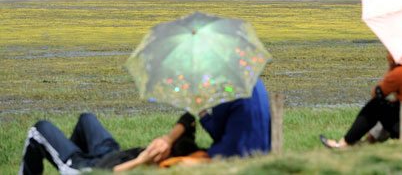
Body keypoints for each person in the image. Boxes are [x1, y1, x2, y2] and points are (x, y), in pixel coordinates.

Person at [115, 78, 271, 171]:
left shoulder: (226, 89)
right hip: (262, 150)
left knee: (170, 163)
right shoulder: (253, 82)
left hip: (233, 153)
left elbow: (216, 132)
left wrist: (201, 111)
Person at [319, 52, 402, 149]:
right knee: (393, 106)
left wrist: (391, 70)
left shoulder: (400, 73)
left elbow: (377, 94)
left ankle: (344, 144)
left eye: (388, 53)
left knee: (377, 106)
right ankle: (366, 143)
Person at [19, 113, 124, 175]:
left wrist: (137, 161)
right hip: (113, 155)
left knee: (39, 128)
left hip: (92, 169)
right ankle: (74, 155)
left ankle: (74, 160)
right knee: (87, 118)